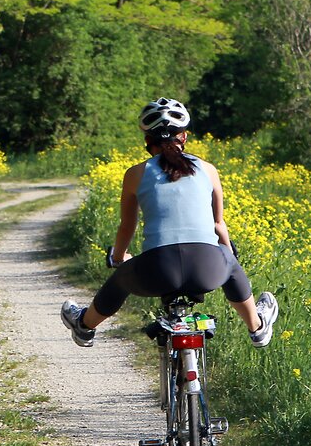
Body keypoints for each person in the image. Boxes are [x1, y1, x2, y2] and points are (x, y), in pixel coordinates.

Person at [61, 97, 278, 348]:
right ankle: (257, 327)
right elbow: (218, 224)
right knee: (228, 259)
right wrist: (228, 256)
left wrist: (119, 258)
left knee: (122, 276)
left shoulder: (135, 174)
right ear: (183, 137)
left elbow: (127, 227)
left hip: (157, 270)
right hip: (206, 270)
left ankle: (84, 326)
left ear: (147, 142)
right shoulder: (208, 169)